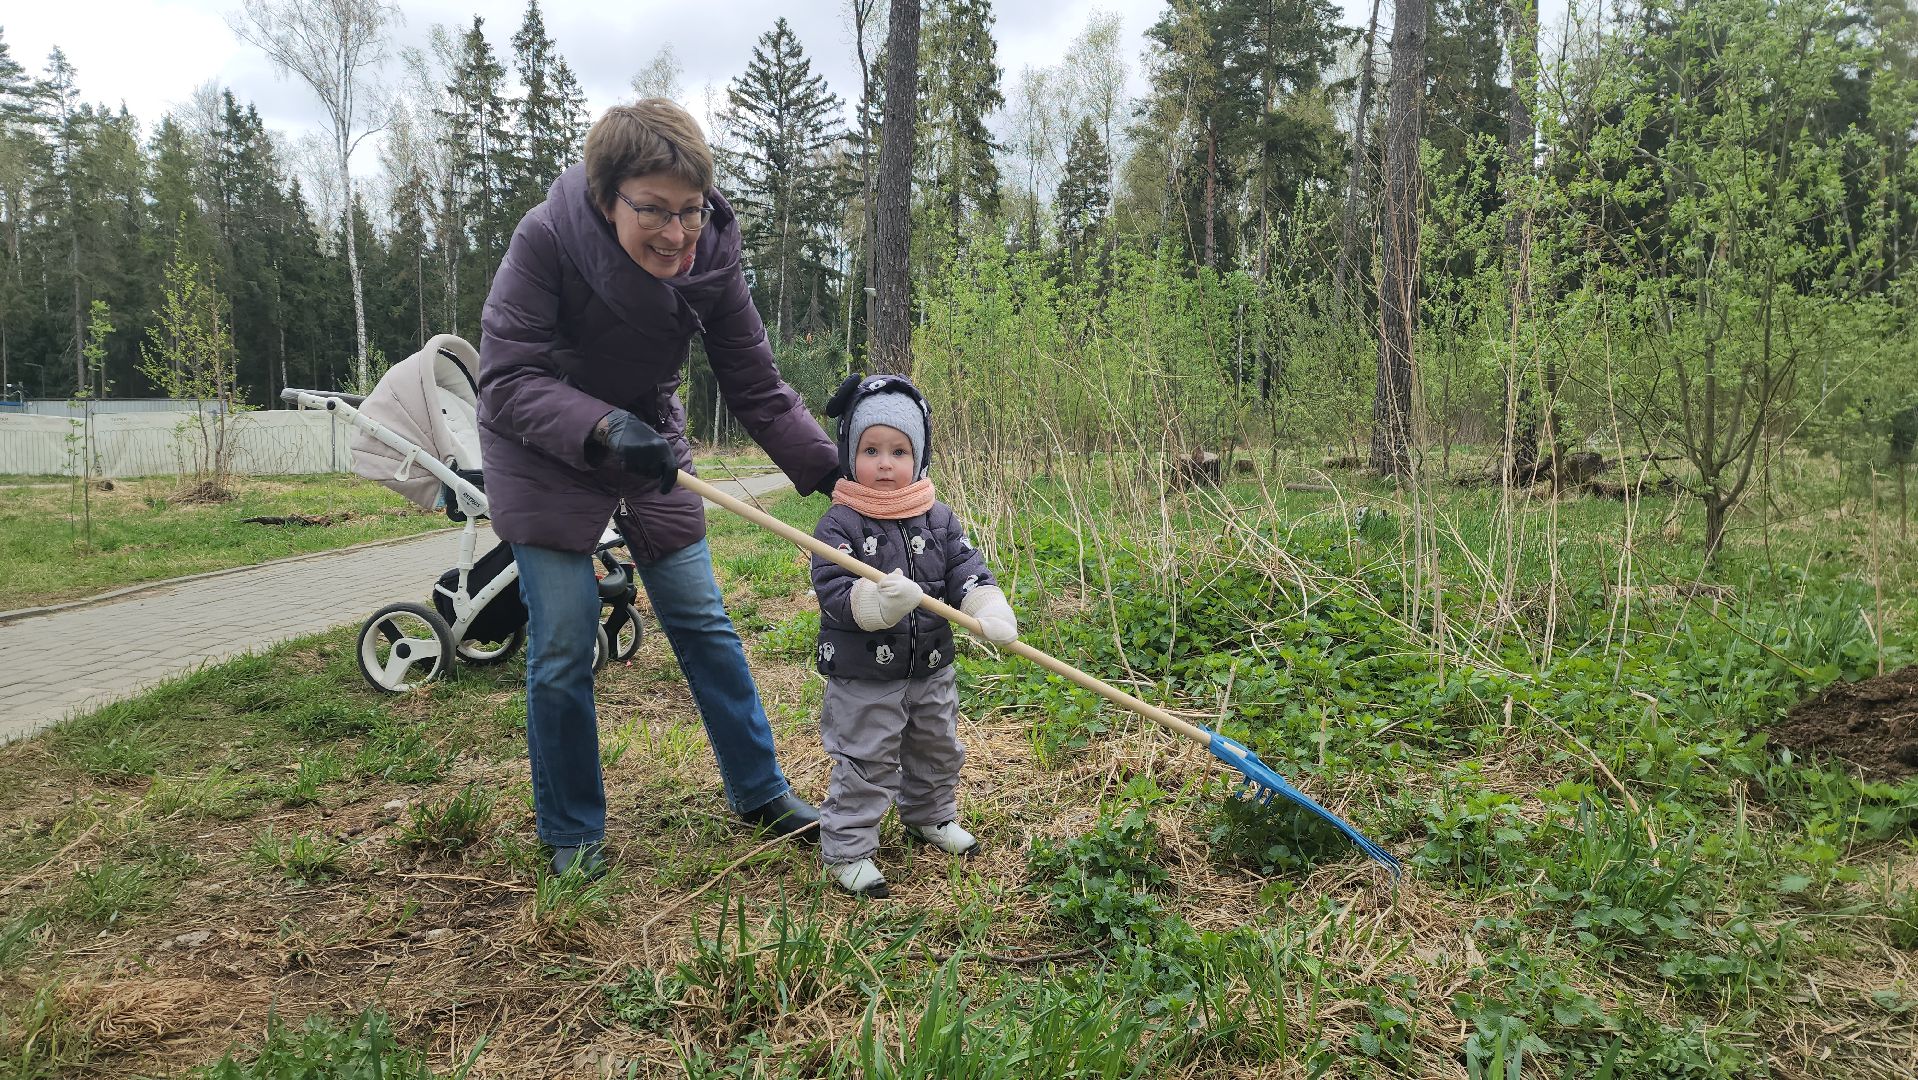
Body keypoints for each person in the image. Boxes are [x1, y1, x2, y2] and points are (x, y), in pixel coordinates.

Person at [476, 101, 840, 877]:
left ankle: (760, 791)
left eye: (691, 210)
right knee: (568, 632)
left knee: (702, 618)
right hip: (541, 443)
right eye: (654, 211)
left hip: (650, 439)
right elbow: (505, 380)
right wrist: (600, 426)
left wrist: (831, 474)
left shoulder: (712, 256)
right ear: (608, 199)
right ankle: (572, 832)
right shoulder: (544, 240)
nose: (677, 233)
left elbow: (757, 385)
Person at [808, 374, 1020, 897]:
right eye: (871, 449)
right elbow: (834, 591)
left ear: (919, 457)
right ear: (848, 453)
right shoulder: (839, 525)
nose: (885, 463)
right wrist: (876, 603)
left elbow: (966, 569)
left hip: (930, 665)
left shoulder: (939, 518)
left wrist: (987, 605)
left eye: (900, 451)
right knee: (866, 758)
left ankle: (930, 815)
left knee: (936, 745)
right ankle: (849, 848)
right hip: (863, 674)